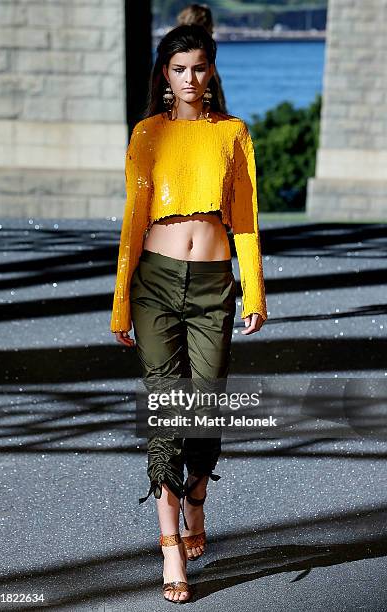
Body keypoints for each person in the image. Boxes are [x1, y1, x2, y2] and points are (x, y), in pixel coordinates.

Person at [110, 24, 267, 604]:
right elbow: (132, 221)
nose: (191, 79)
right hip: (154, 281)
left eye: (199, 68)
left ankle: (197, 497)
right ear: (165, 76)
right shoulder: (147, 133)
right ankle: (169, 541)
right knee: (165, 404)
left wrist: (254, 290)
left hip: (211, 286)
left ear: (212, 72)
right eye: (180, 69)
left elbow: (246, 218)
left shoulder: (233, 134)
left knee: (205, 405)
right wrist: (120, 301)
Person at [176, 3, 228, 114]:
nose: (213, 32)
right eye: (211, 28)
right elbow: (217, 103)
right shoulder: (202, 63)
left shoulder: (173, 62)